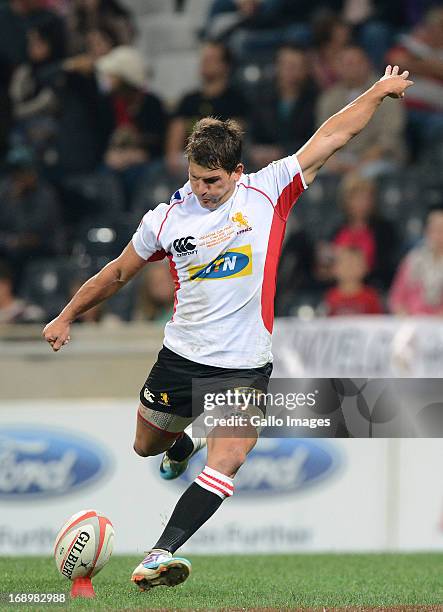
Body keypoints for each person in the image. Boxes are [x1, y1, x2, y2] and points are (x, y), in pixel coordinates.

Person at [42, 64, 413, 590]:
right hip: (181, 354)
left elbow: (332, 134)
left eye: (212, 180)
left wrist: (377, 91)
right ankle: (178, 444)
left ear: (237, 171)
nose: (202, 189)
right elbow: (120, 272)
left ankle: (158, 554)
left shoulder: (269, 191)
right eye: (194, 177)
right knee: (146, 447)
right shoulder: (167, 219)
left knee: (232, 455)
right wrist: (66, 315)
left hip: (243, 363)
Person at [316, 45, 406, 176]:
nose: (350, 68)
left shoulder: (388, 92)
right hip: (342, 158)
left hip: (381, 157)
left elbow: (389, 137)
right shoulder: (329, 97)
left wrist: (361, 163)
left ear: (366, 64)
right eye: (346, 64)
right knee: (314, 174)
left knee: (367, 173)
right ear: (338, 68)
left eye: (355, 63)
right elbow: (324, 136)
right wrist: (332, 160)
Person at [165, 40, 249, 176]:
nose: (204, 62)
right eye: (203, 58)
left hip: (221, 164)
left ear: (225, 66)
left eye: (211, 59)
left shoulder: (236, 100)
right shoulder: (189, 100)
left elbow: (234, 141)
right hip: (187, 163)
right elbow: (173, 146)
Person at [248, 44, 319, 170]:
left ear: (305, 70)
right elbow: (253, 132)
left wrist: (283, 152)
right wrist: (255, 150)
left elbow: (315, 137)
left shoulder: (315, 99)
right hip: (263, 162)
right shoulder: (262, 96)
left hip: (299, 163)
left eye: (295, 66)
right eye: (285, 65)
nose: (289, 70)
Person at [389, 206, 443, 315]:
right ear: (427, 231)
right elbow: (396, 297)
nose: (438, 235)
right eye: (434, 229)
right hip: (412, 322)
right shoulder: (412, 259)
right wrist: (404, 315)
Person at [323, 246, 384, 316]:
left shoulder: (371, 297)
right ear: (335, 269)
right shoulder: (330, 297)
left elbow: (378, 322)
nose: (350, 269)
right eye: (346, 264)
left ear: (365, 268)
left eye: (355, 264)